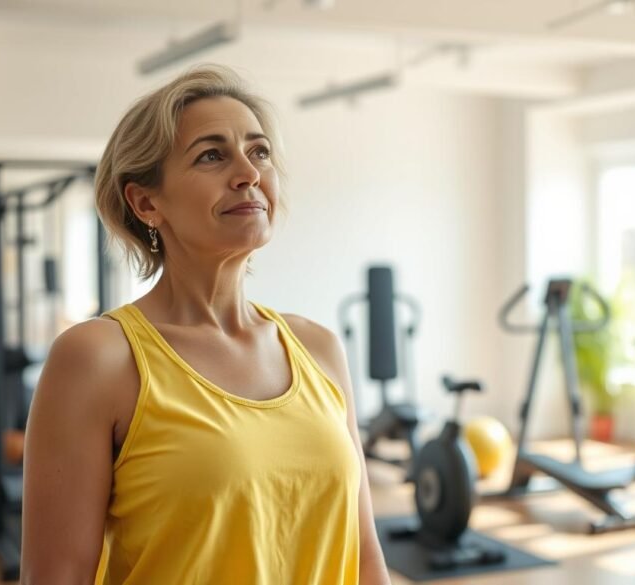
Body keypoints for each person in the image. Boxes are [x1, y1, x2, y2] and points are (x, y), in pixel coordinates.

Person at [20, 66, 391, 585]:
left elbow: (365, 559)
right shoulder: (98, 358)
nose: (249, 173)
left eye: (258, 152)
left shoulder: (318, 348)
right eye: (212, 155)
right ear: (146, 202)